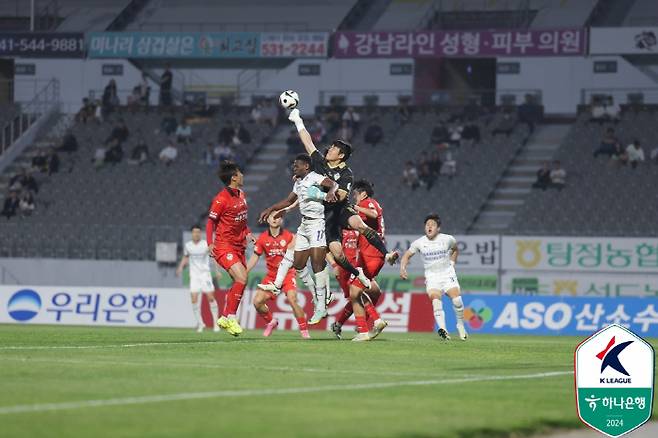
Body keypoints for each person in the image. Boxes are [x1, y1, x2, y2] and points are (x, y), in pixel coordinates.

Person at [283, 109, 399, 322]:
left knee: (361, 224)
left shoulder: (346, 173)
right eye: (332, 146)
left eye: (335, 148)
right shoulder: (320, 162)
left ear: (341, 155)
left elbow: (341, 195)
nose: (331, 148)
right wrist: (297, 119)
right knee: (338, 256)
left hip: (341, 211)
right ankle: (358, 274)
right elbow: (308, 142)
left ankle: (388, 253)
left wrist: (317, 191)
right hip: (324, 219)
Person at [257, 154, 339, 325]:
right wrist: (271, 208)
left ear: (306, 167)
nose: (294, 167)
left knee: (317, 264)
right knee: (299, 264)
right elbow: (288, 201)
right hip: (304, 226)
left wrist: (331, 192)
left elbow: (334, 184)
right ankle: (322, 295)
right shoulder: (298, 182)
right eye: (294, 165)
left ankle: (321, 306)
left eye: (297, 165)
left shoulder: (315, 177)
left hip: (317, 224)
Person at [331, 179, 389, 341]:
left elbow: (374, 215)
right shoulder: (340, 222)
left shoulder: (359, 215)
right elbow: (329, 246)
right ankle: (354, 325)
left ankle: (357, 324)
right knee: (362, 293)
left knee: (363, 292)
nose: (354, 198)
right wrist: (334, 263)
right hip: (347, 266)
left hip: (362, 262)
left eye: (355, 194)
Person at [400, 214, 467, 341]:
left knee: (457, 301)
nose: (429, 227)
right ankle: (443, 330)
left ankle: (460, 325)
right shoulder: (419, 243)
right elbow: (406, 256)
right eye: (427, 225)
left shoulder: (448, 239)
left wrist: (452, 264)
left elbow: (455, 249)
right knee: (436, 301)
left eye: (433, 225)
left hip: (447, 275)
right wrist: (402, 268)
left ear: (438, 228)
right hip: (432, 277)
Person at [207, 161, 254, 336]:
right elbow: (211, 222)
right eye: (240, 172)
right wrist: (209, 243)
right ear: (234, 177)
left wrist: (248, 232)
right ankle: (232, 318)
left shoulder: (241, 194)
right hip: (223, 245)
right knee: (241, 277)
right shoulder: (221, 199)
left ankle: (225, 316)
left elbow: (242, 219)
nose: (242, 175)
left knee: (241, 280)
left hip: (239, 245)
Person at [247, 214, 310, 339]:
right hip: (271, 276)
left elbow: (298, 254)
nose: (275, 219)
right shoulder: (262, 238)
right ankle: (271, 322)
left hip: (287, 274)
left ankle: (304, 330)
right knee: (257, 302)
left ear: (281, 220)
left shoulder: (289, 236)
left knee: (292, 299)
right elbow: (254, 258)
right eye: (272, 217)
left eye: (278, 216)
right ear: (268, 219)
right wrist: (244, 272)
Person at [176, 225, 221, 333]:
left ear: (200, 233)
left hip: (205, 275)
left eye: (198, 232)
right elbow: (186, 257)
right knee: (194, 299)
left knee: (210, 298)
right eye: (194, 232)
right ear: (192, 234)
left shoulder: (205, 244)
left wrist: (217, 270)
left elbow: (213, 256)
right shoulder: (188, 246)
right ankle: (200, 324)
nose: (196, 234)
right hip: (194, 276)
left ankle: (216, 324)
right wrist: (180, 268)